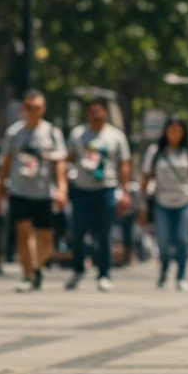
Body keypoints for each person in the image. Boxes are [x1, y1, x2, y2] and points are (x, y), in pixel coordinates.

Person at [0, 90, 67, 294]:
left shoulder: (52, 133)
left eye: (37, 108)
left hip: (43, 193)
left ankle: (37, 268)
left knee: (46, 239)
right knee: (23, 231)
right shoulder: (14, 133)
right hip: (19, 191)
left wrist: (62, 189)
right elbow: (5, 163)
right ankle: (27, 275)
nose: (33, 111)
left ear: (43, 109)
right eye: (29, 107)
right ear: (23, 108)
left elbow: (59, 164)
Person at [64, 97, 131, 292]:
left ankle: (104, 274)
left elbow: (124, 165)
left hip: (106, 189)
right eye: (92, 111)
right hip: (81, 190)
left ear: (105, 113)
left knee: (104, 234)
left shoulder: (116, 136)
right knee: (77, 232)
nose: (95, 115)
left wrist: (124, 191)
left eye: (98, 111)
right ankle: (78, 269)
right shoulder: (78, 135)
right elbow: (68, 158)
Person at [140, 116, 188, 291]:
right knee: (163, 241)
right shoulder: (155, 151)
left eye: (178, 129)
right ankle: (164, 268)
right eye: (171, 129)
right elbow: (146, 177)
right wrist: (142, 203)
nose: (174, 133)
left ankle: (181, 276)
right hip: (162, 202)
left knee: (183, 240)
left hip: (185, 202)